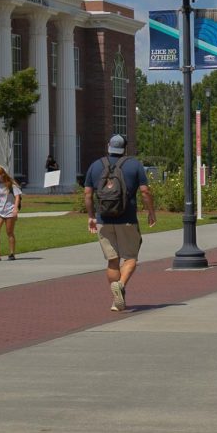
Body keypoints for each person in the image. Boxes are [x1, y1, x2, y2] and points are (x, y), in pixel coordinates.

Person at [83, 134, 157, 312]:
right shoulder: (134, 164)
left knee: (112, 260)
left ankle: (116, 300)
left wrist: (91, 216)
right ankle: (121, 285)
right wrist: (151, 212)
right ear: (125, 148)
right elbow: (145, 192)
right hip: (127, 219)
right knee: (131, 258)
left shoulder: (95, 165)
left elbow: (87, 194)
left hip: (104, 219)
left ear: (108, 146)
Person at [0, 165, 22, 261]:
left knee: (9, 232)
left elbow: (17, 197)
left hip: (10, 211)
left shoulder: (11, 184)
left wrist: (15, 209)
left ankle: (11, 253)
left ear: (3, 174)